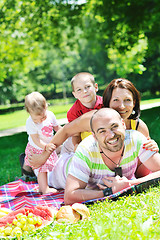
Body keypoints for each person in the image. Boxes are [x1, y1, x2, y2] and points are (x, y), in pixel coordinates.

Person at [30, 108, 160, 204]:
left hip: (82, 162)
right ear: (94, 135)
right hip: (61, 170)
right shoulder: (86, 149)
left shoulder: (135, 139)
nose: (111, 135)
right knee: (40, 170)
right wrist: (110, 192)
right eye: (102, 131)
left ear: (122, 124)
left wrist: (130, 184)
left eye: (114, 127)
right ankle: (28, 162)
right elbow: (69, 196)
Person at [102, 78, 159, 177]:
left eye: (127, 100)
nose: (122, 106)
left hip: (131, 174)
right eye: (116, 100)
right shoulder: (98, 125)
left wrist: (152, 150)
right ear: (108, 103)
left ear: (134, 103)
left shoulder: (139, 127)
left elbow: (144, 168)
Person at [24, 92, 62, 194]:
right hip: (37, 147)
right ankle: (45, 189)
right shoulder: (30, 122)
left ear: (46, 107)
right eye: (36, 119)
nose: (40, 121)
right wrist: (45, 146)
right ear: (29, 112)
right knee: (42, 169)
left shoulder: (50, 115)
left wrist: (65, 133)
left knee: (45, 169)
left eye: (43, 117)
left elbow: (57, 127)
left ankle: (42, 188)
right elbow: (35, 139)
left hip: (47, 146)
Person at [61, 72, 103, 154]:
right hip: (86, 144)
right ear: (74, 94)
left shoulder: (106, 103)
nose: (84, 91)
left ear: (96, 87)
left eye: (87, 87)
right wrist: (77, 146)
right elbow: (76, 135)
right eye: (79, 89)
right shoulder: (73, 112)